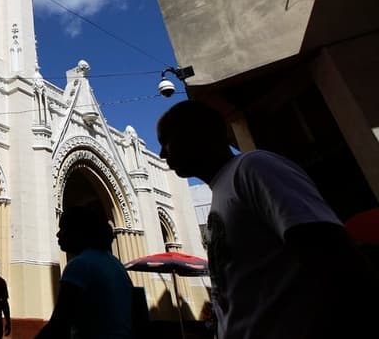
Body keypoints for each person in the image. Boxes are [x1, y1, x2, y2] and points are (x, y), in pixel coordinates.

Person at [157, 100, 379, 339]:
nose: (162, 153)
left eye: (166, 140)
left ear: (197, 134)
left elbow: (333, 253)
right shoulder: (222, 190)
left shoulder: (254, 168)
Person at [36, 204, 133, 339]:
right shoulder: (117, 266)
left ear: (79, 232)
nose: (58, 234)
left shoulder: (80, 265)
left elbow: (60, 323)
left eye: (63, 228)